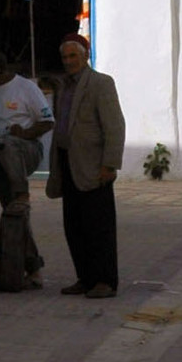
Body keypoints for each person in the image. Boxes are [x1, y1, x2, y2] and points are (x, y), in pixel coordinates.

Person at [45, 33, 125, 299]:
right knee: (74, 225)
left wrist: (110, 164)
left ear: (85, 56)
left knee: (98, 226)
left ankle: (105, 280)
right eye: (65, 57)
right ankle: (85, 277)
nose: (69, 62)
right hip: (69, 163)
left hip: (94, 166)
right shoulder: (63, 86)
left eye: (73, 56)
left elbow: (114, 126)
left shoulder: (101, 84)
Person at [0, 49, 52, 286]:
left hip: (25, 150)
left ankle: (22, 193)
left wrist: (26, 132)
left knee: (8, 142)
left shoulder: (25, 88)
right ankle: (32, 266)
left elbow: (47, 121)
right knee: (13, 214)